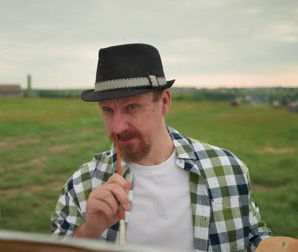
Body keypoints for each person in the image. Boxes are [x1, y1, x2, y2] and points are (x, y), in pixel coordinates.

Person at [51, 43, 272, 252]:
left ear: (164, 102)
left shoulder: (227, 169)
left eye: (132, 107)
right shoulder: (83, 185)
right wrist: (90, 230)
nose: (117, 128)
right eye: (107, 110)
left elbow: (252, 237)